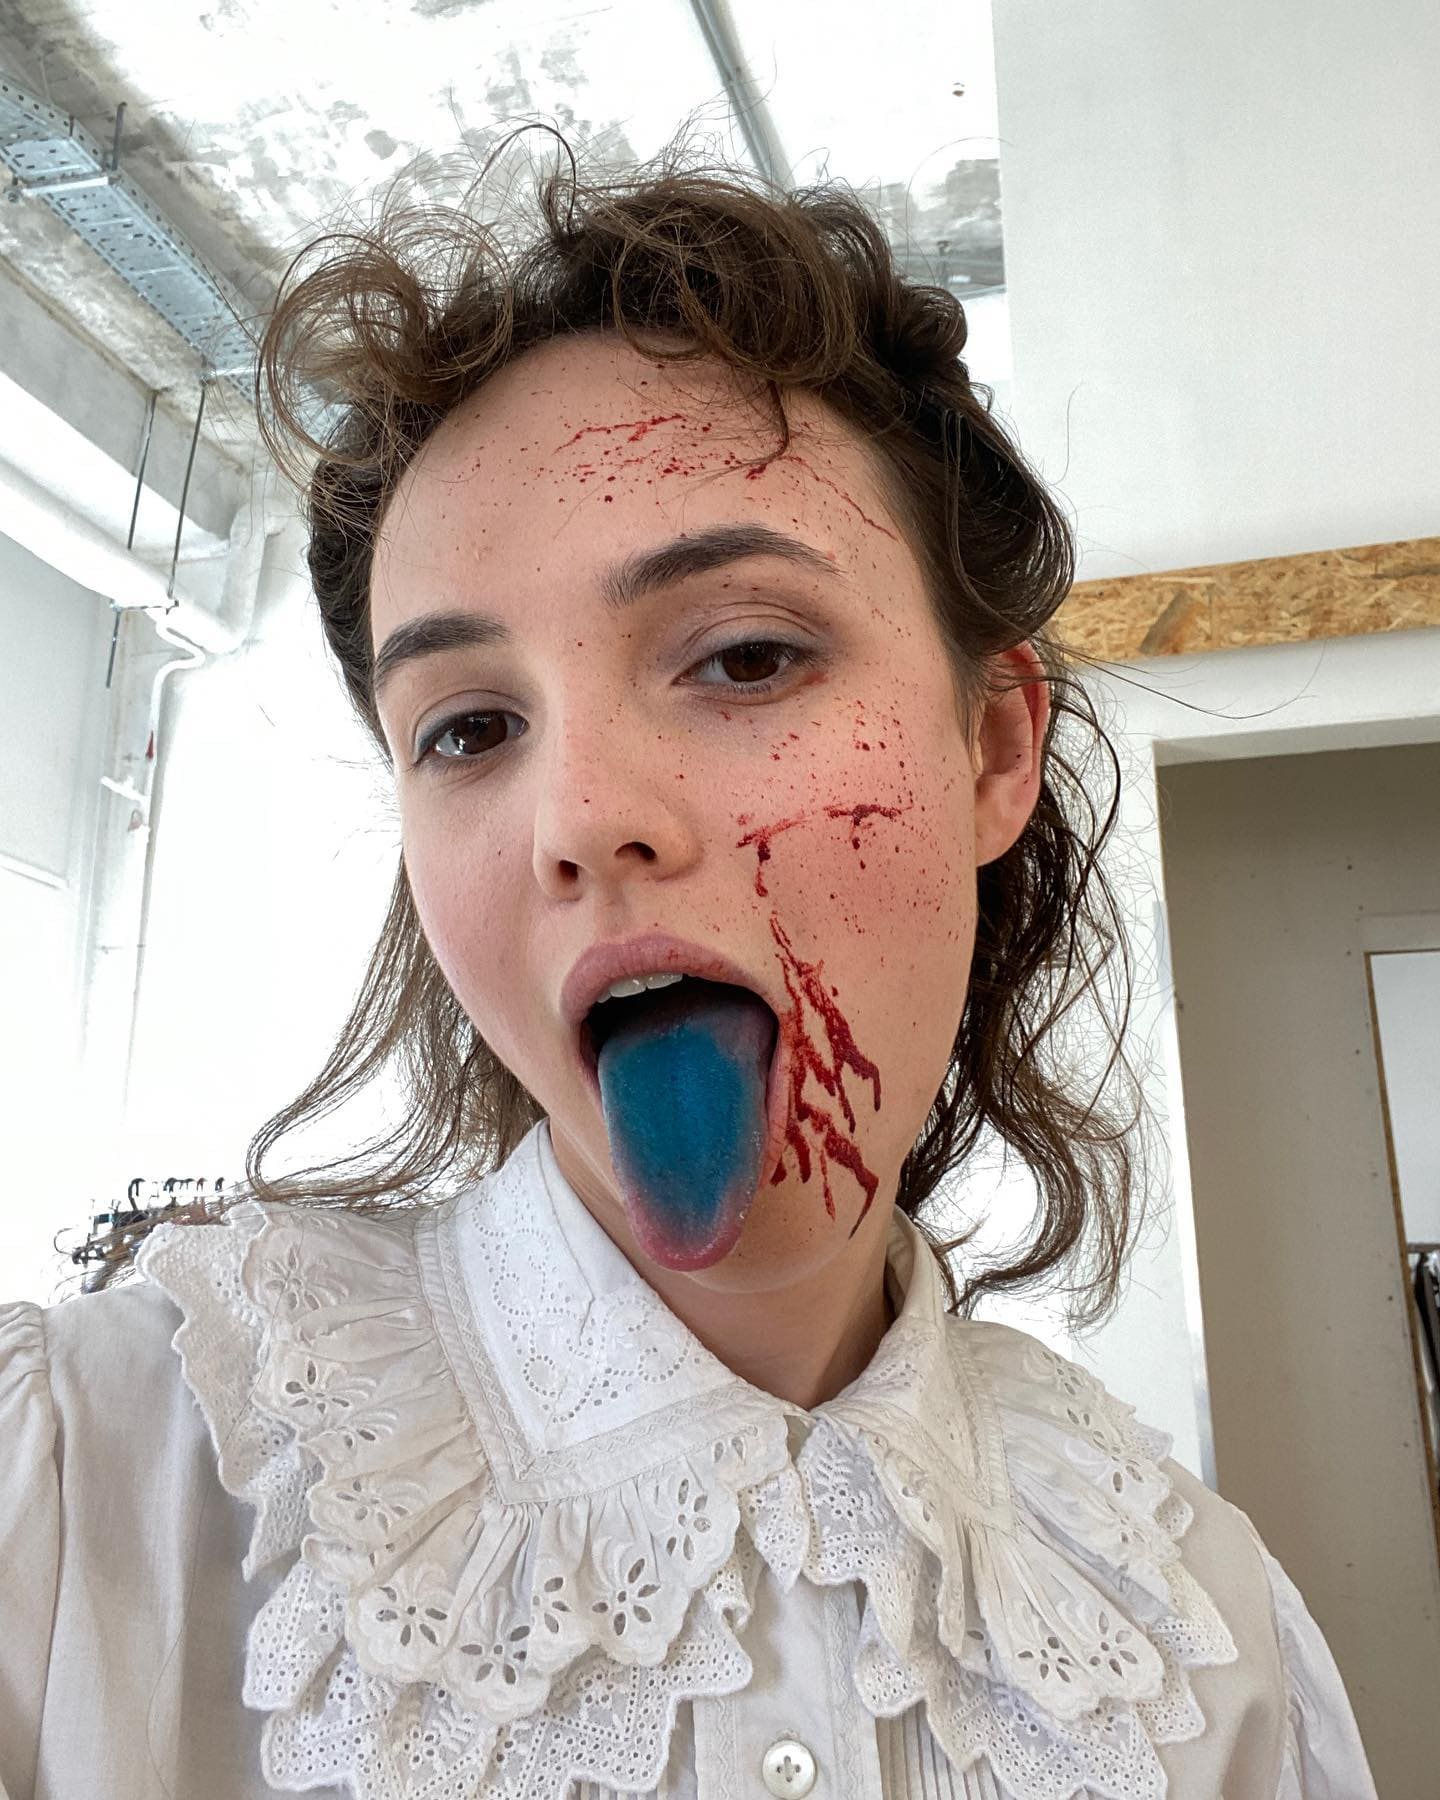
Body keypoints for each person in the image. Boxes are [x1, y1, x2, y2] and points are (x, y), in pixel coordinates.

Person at [0, 147, 1377, 1800]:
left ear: (994, 746)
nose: (579, 817)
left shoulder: (1199, 1643)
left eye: (745, 655)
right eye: (470, 729)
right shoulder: (91, 1489)